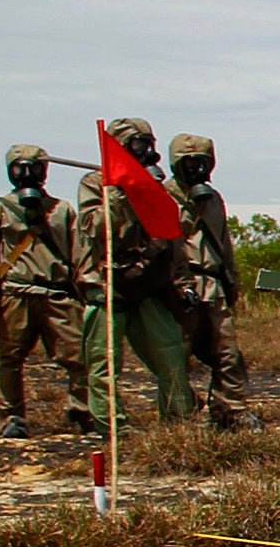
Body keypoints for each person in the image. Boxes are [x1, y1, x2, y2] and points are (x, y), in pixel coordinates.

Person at [0, 145, 95, 440]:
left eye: (34, 168)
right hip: (15, 294)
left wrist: (90, 289)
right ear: (9, 172)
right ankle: (11, 417)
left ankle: (84, 412)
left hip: (57, 296)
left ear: (45, 171)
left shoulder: (62, 211)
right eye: (19, 169)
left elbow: (81, 254)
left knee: (79, 357)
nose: (27, 175)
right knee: (10, 357)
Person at [74, 117, 195, 427]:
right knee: (104, 361)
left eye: (149, 143)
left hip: (147, 282)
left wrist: (183, 283)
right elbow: (94, 227)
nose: (147, 151)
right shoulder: (94, 183)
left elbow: (172, 237)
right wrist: (121, 190)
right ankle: (111, 424)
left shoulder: (154, 186)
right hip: (107, 283)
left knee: (171, 354)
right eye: (138, 144)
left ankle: (179, 419)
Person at [166, 135, 262, 432]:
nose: (198, 168)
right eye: (191, 162)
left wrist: (231, 281)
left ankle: (229, 409)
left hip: (214, 283)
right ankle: (179, 415)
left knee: (227, 353)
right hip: (180, 284)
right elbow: (165, 245)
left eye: (204, 162)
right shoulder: (164, 196)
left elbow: (224, 244)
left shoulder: (214, 199)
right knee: (177, 355)